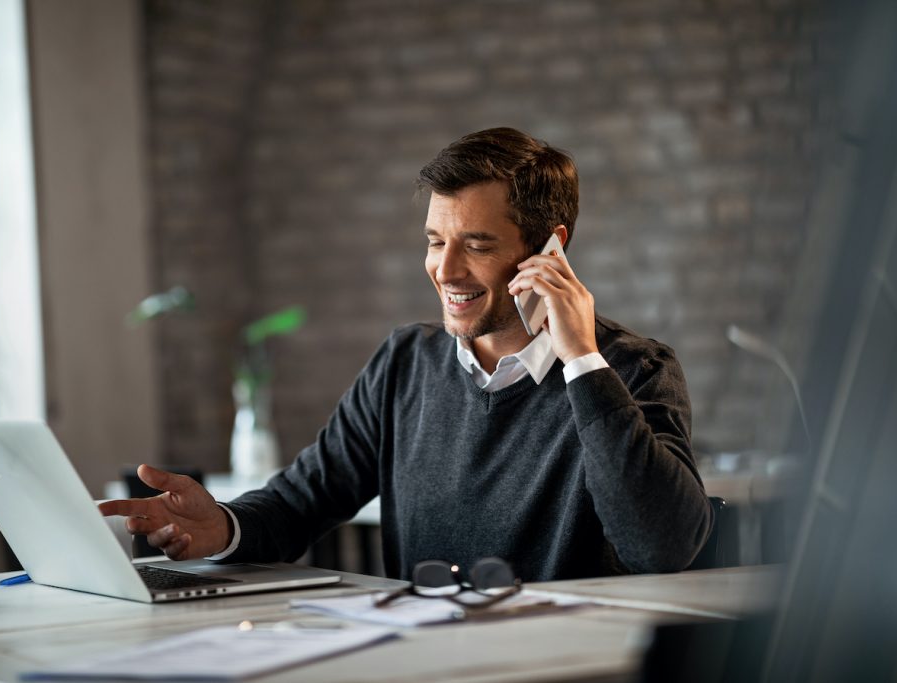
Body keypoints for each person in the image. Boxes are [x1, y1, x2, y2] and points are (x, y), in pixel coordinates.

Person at [99, 127, 712, 582]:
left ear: (551, 248)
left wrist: (581, 359)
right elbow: (299, 502)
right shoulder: (403, 364)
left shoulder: (631, 369)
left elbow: (661, 547)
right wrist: (223, 527)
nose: (445, 269)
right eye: (435, 241)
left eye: (475, 244)